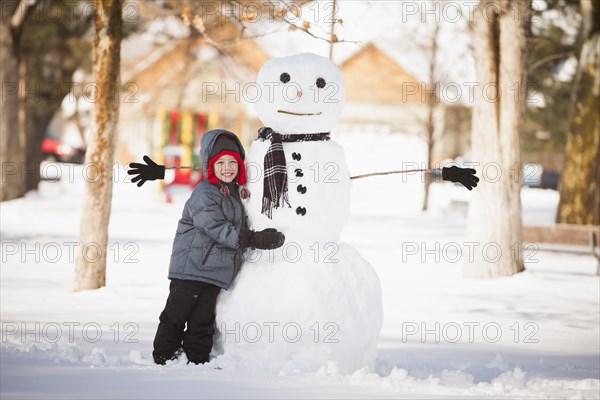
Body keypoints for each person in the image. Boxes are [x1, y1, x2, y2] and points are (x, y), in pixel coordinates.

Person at [134, 129, 285, 365]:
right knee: (177, 314)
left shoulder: (234, 193)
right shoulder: (204, 193)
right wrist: (254, 239)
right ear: (210, 165)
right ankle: (164, 355)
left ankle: (196, 358)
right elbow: (215, 228)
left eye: (233, 162)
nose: (227, 167)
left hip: (215, 273)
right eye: (220, 162)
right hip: (191, 269)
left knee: (203, 318)